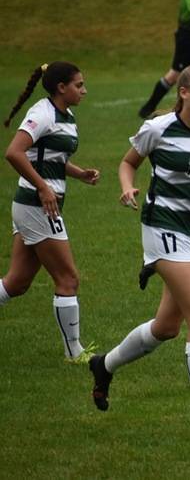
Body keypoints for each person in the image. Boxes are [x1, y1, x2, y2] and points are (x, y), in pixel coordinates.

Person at [89, 65, 190, 437]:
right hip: (161, 228)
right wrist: (127, 187)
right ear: (184, 92)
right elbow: (128, 162)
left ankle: (103, 365)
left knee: (167, 328)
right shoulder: (157, 128)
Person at [1, 61, 99, 364]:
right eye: (79, 85)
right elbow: (14, 153)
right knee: (68, 279)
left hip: (37, 204)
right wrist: (43, 187)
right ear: (61, 88)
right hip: (36, 205)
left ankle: (74, 351)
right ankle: (75, 353)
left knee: (16, 283)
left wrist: (79, 173)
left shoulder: (65, 116)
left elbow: (48, 157)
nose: (84, 90)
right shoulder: (42, 114)